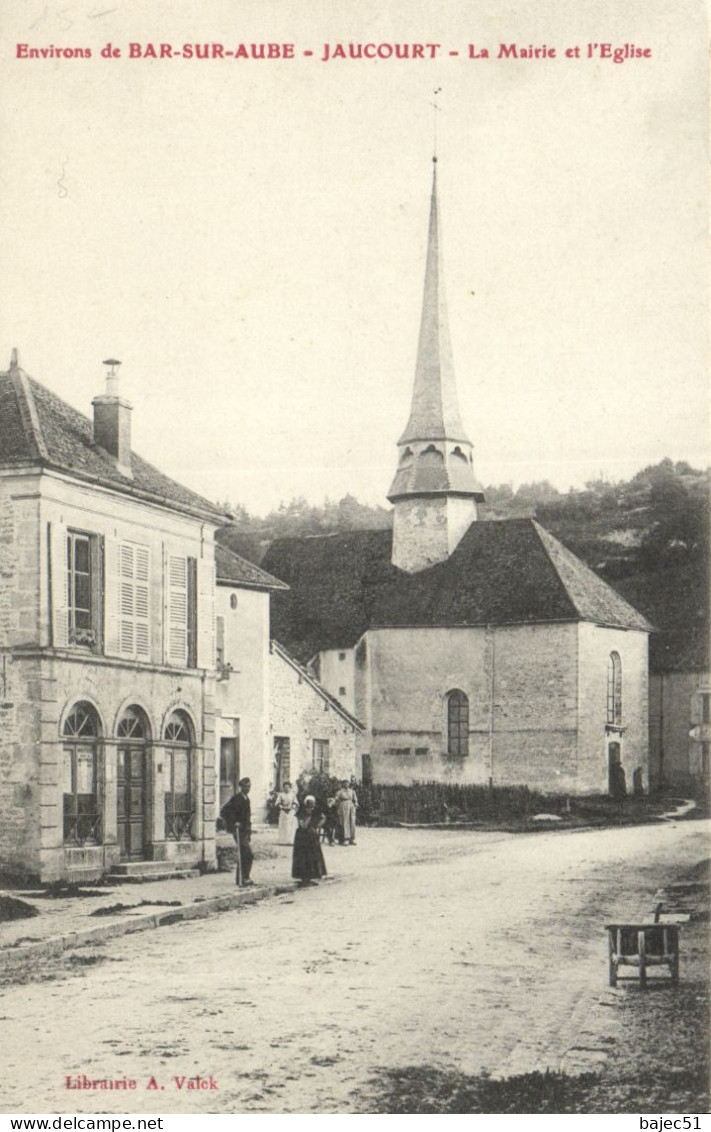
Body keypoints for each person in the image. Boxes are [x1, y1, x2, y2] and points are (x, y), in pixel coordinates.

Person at [220, 777, 254, 886]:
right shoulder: (237, 799)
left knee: (245, 854)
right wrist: (234, 822)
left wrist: (249, 831)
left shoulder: (247, 799)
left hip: (245, 831)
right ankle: (244, 878)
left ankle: (243, 878)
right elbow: (224, 811)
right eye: (246, 786)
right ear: (241, 787)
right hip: (238, 831)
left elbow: (247, 818)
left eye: (249, 786)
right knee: (247, 853)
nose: (248, 788)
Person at [291, 795, 327, 886]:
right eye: (309, 803)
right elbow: (303, 826)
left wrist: (316, 826)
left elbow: (323, 817)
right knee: (303, 856)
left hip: (312, 836)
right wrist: (310, 817)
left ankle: (311, 876)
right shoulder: (301, 812)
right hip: (302, 836)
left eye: (312, 803)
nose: (310, 805)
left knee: (312, 856)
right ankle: (304, 878)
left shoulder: (316, 811)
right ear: (305, 803)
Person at [276, 781, 298, 845]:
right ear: (283, 788)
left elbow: (295, 803)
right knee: (283, 826)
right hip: (283, 810)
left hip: (291, 811)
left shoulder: (293, 795)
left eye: (288, 787)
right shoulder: (281, 795)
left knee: (291, 826)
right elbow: (277, 803)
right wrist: (282, 807)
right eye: (285, 787)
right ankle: (283, 841)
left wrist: (292, 807)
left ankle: (291, 841)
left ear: (290, 788)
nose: (286, 788)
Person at [336, 779, 358, 845]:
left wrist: (356, 805)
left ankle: (351, 839)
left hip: (351, 807)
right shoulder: (339, 792)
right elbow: (336, 799)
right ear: (343, 784)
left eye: (347, 783)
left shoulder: (352, 791)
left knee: (352, 822)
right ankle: (345, 839)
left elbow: (355, 799)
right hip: (343, 807)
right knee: (345, 822)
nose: (346, 784)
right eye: (345, 783)